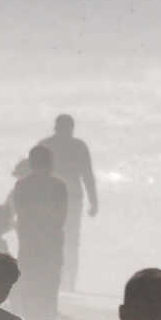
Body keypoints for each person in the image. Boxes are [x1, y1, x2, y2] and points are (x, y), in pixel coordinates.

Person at [10, 145, 71, 320]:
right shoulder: (59, 185)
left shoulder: (22, 185)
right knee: (49, 289)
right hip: (51, 245)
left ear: (32, 162)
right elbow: (61, 218)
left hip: (29, 244)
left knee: (28, 286)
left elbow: (21, 214)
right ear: (50, 162)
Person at [43, 114, 101, 289]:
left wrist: (94, 200)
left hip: (62, 199)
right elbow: (87, 175)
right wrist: (93, 201)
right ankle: (62, 281)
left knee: (65, 239)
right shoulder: (71, 146)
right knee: (66, 240)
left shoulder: (48, 145)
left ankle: (65, 281)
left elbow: (87, 175)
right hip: (59, 199)